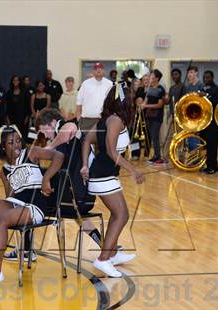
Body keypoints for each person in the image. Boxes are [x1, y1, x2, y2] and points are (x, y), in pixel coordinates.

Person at [0, 125, 64, 288]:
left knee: (1, 219)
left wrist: (46, 178)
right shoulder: (4, 170)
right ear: (3, 147)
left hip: (35, 205)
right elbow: (10, 196)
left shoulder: (31, 152)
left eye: (18, 141)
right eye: (12, 142)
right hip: (16, 202)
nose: (17, 145)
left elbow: (59, 156)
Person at [80, 84, 144, 277]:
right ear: (123, 101)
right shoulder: (115, 120)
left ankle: (112, 253)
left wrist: (85, 165)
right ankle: (104, 259)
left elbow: (86, 140)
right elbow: (110, 150)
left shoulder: (107, 119)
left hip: (104, 174)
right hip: (104, 174)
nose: (133, 101)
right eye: (130, 98)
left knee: (119, 215)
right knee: (121, 215)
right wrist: (132, 169)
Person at [35, 109, 103, 246]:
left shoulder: (64, 126)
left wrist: (50, 147)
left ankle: (25, 250)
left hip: (78, 197)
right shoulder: (65, 142)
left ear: (53, 122)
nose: (47, 136)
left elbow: (70, 128)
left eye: (45, 130)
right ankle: (106, 247)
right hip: (82, 200)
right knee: (80, 217)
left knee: (31, 203)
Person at [199, 71, 218, 174]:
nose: (206, 79)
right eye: (204, 78)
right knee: (205, 145)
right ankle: (209, 165)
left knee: (212, 146)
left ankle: (213, 167)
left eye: (208, 77)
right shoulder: (202, 89)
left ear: (212, 77)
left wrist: (206, 95)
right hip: (204, 122)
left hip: (214, 123)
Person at [76, 62, 112, 133]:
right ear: (93, 71)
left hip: (103, 120)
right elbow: (79, 102)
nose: (98, 70)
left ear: (104, 71)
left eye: (100, 68)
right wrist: (78, 119)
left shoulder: (110, 84)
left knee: (102, 143)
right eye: (96, 69)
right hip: (87, 120)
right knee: (85, 142)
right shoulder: (85, 84)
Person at [140, 69, 166, 163]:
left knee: (155, 136)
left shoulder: (161, 89)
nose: (150, 78)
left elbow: (159, 105)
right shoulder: (150, 88)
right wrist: (142, 105)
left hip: (157, 117)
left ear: (157, 78)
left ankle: (157, 156)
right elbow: (146, 100)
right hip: (148, 116)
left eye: (152, 76)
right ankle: (155, 155)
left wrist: (146, 106)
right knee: (151, 136)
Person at [132, 74, 150, 159]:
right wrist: (141, 103)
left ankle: (147, 154)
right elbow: (138, 100)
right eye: (144, 80)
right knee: (135, 136)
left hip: (148, 116)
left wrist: (144, 103)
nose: (145, 81)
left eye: (147, 80)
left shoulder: (152, 89)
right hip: (138, 115)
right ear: (142, 82)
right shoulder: (140, 89)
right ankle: (135, 154)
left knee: (147, 135)